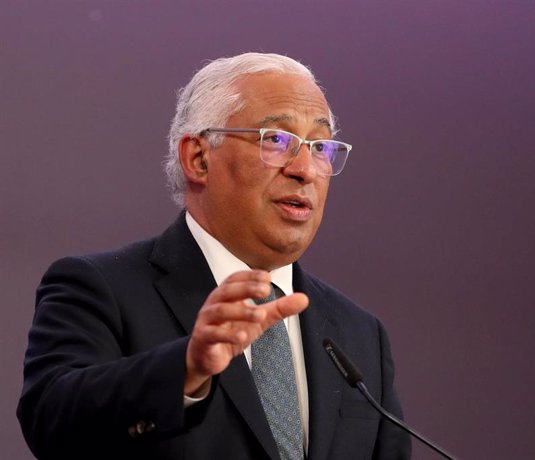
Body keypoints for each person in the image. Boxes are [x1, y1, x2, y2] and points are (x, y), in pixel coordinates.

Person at [17, 52, 410, 460]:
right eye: (276, 140)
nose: (306, 170)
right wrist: (186, 370)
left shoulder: (359, 333)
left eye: (319, 147)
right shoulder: (100, 288)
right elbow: (52, 422)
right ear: (199, 159)